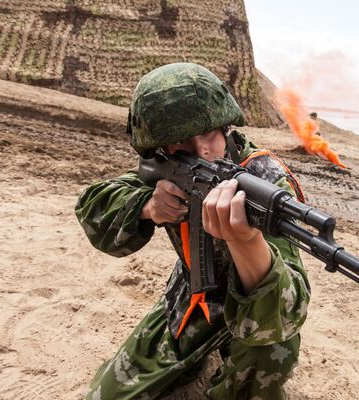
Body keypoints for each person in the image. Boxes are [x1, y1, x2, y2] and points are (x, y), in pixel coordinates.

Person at [75, 63, 310, 400]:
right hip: (191, 299)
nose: (201, 150)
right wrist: (149, 207)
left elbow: (287, 313)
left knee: (272, 350)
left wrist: (245, 242)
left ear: (227, 127)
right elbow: (93, 207)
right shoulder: (166, 172)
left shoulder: (266, 183)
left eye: (210, 133)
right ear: (158, 149)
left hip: (252, 310)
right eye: (181, 141)